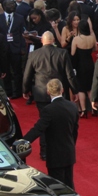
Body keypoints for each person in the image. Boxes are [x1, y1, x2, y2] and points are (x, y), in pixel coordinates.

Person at [22, 31, 76, 159]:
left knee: (44, 121)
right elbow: (70, 75)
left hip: (41, 93)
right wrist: (75, 90)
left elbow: (27, 74)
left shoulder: (34, 54)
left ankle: (45, 151)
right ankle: (59, 148)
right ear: (53, 41)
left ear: (42, 41)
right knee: (60, 121)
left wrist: (25, 90)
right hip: (58, 91)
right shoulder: (62, 53)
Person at [22, 79, 79, 189]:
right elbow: (75, 130)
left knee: (56, 186)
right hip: (69, 151)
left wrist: (23, 141)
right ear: (62, 90)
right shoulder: (72, 106)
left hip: (55, 154)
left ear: (48, 92)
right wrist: (72, 144)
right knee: (69, 183)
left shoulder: (48, 110)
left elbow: (38, 129)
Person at [70, 20, 97, 118]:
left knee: (81, 89)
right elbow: (95, 49)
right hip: (90, 64)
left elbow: (72, 54)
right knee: (89, 88)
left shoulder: (76, 39)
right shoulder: (92, 38)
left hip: (80, 65)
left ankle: (84, 110)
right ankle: (94, 109)